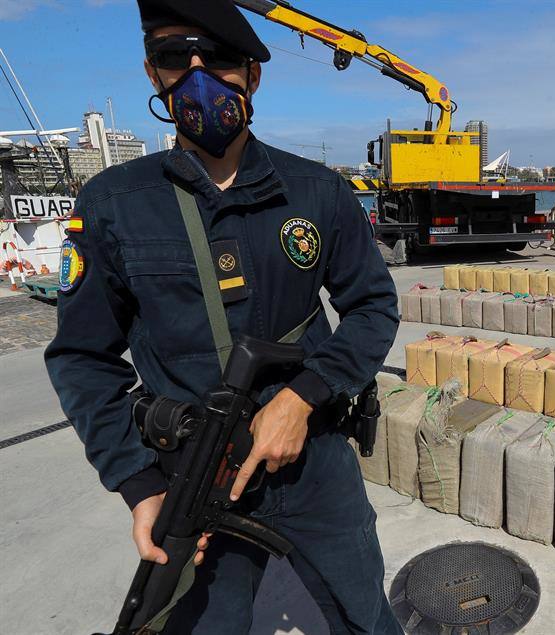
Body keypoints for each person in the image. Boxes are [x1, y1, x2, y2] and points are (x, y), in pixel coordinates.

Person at [43, 1, 402, 632]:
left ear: (253, 75)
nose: (197, 72)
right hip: (197, 474)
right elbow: (81, 357)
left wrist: (304, 396)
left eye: (219, 57)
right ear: (153, 73)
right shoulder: (113, 204)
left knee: (364, 618)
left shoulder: (318, 192)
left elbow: (372, 308)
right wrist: (138, 482)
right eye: (175, 56)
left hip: (314, 466)